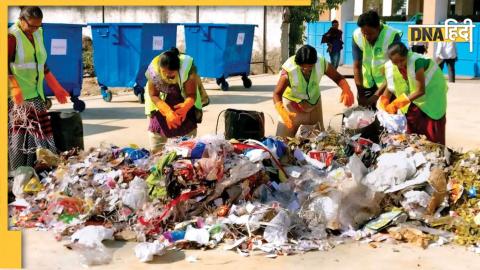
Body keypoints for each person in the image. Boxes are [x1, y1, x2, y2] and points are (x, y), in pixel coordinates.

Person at [8, 6, 70, 171]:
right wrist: (14, 88)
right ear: (22, 20)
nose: (35, 29)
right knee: (18, 140)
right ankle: (18, 174)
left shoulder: (38, 33)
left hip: (35, 95)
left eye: (38, 26)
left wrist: (55, 86)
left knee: (43, 138)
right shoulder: (11, 36)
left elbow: (41, 63)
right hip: (18, 99)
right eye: (32, 26)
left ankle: (44, 173)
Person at [273, 45, 354, 137]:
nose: (306, 70)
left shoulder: (321, 62)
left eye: (310, 67)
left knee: (318, 136)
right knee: (283, 138)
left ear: (315, 63)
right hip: (292, 103)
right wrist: (282, 110)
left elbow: (337, 77)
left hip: (313, 102)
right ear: (298, 63)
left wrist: (346, 88)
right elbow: (277, 93)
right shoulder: (289, 69)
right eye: (303, 67)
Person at [378, 42, 447, 145]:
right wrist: (384, 101)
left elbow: (420, 90)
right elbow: (390, 86)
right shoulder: (390, 66)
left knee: (432, 135)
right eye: (396, 63)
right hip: (414, 100)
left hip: (432, 97)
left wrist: (397, 103)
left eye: (402, 60)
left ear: (407, 55)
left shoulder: (417, 62)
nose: (400, 65)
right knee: (413, 136)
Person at [144, 47, 207, 153]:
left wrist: (185, 106)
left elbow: (191, 94)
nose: (168, 76)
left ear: (178, 69)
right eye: (165, 73)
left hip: (183, 113)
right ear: (160, 68)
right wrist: (168, 112)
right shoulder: (154, 71)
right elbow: (154, 95)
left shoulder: (187, 68)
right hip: (160, 108)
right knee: (157, 150)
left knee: (186, 150)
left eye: (172, 74)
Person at [352, 10, 401, 108]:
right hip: (366, 84)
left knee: (385, 116)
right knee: (365, 119)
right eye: (363, 33)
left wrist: (377, 96)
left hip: (387, 85)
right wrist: (361, 95)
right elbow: (357, 66)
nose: (366, 37)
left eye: (370, 34)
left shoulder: (392, 36)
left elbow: (395, 70)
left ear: (378, 28)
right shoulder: (357, 36)